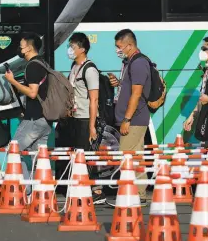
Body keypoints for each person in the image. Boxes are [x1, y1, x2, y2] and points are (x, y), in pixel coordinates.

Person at [4, 32, 51, 195]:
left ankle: (27, 189)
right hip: (45, 119)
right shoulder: (43, 63)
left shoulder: (33, 66)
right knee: (39, 158)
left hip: (35, 119)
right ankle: (41, 192)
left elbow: (32, 93)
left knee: (14, 150)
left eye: (22, 45)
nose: (20, 48)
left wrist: (12, 81)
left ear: (29, 48)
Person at [60, 32, 105, 204]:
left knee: (88, 153)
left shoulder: (90, 69)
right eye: (69, 46)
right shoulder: (74, 66)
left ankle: (97, 191)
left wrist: (92, 126)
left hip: (87, 118)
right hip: (76, 117)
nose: (70, 50)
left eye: (72, 47)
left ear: (82, 49)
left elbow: (94, 99)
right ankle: (83, 188)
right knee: (79, 154)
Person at [108, 29, 151, 205]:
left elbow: (136, 94)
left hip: (133, 119)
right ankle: (139, 194)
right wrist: (118, 84)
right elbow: (129, 90)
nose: (118, 50)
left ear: (130, 45)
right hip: (134, 118)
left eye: (119, 47)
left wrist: (126, 119)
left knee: (127, 157)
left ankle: (130, 196)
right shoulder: (130, 62)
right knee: (136, 156)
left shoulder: (138, 63)